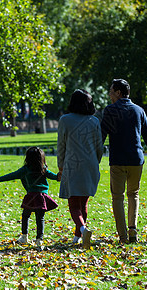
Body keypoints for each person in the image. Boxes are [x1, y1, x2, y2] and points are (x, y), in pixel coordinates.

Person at [101, 79, 147, 244]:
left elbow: (102, 135)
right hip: (136, 159)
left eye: (111, 91)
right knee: (134, 194)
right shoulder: (139, 110)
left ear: (118, 93)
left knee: (117, 197)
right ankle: (132, 230)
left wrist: (95, 156)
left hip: (117, 159)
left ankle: (123, 236)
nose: (110, 95)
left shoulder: (110, 110)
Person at [57, 89, 103, 249]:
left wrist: (61, 166)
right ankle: (77, 237)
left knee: (73, 203)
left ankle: (83, 230)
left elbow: (61, 145)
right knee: (83, 202)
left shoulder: (65, 120)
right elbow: (99, 146)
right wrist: (95, 162)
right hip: (90, 165)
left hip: (72, 165)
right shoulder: (94, 121)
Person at [0, 146, 59, 246]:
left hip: (31, 196)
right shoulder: (43, 169)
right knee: (40, 218)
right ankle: (39, 239)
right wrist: (61, 176)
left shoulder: (25, 169)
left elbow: (12, 175)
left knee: (25, 215)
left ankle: (24, 236)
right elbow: (55, 177)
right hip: (42, 197)